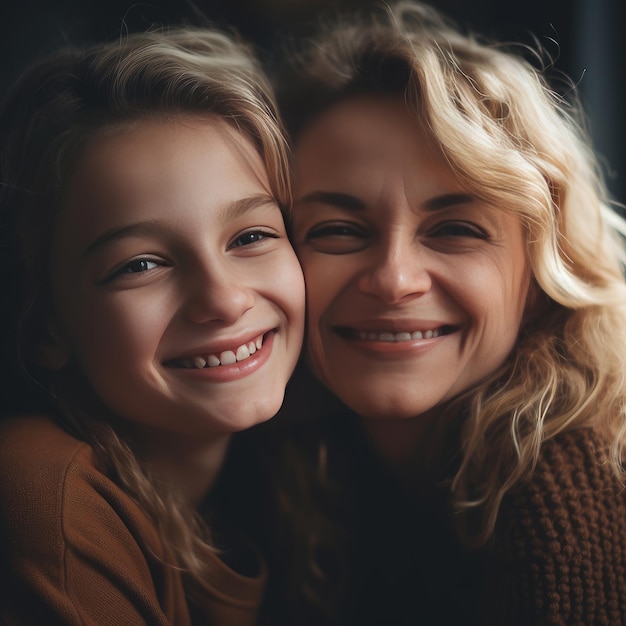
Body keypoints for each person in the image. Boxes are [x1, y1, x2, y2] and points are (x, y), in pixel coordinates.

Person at [273, 1, 626, 623]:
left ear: (542, 268)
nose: (393, 279)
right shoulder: (290, 453)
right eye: (336, 230)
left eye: (457, 228)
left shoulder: (571, 505)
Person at [0, 26, 305, 625]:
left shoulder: (287, 479)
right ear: (47, 328)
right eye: (141, 264)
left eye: (250, 236)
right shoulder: (46, 503)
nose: (222, 299)